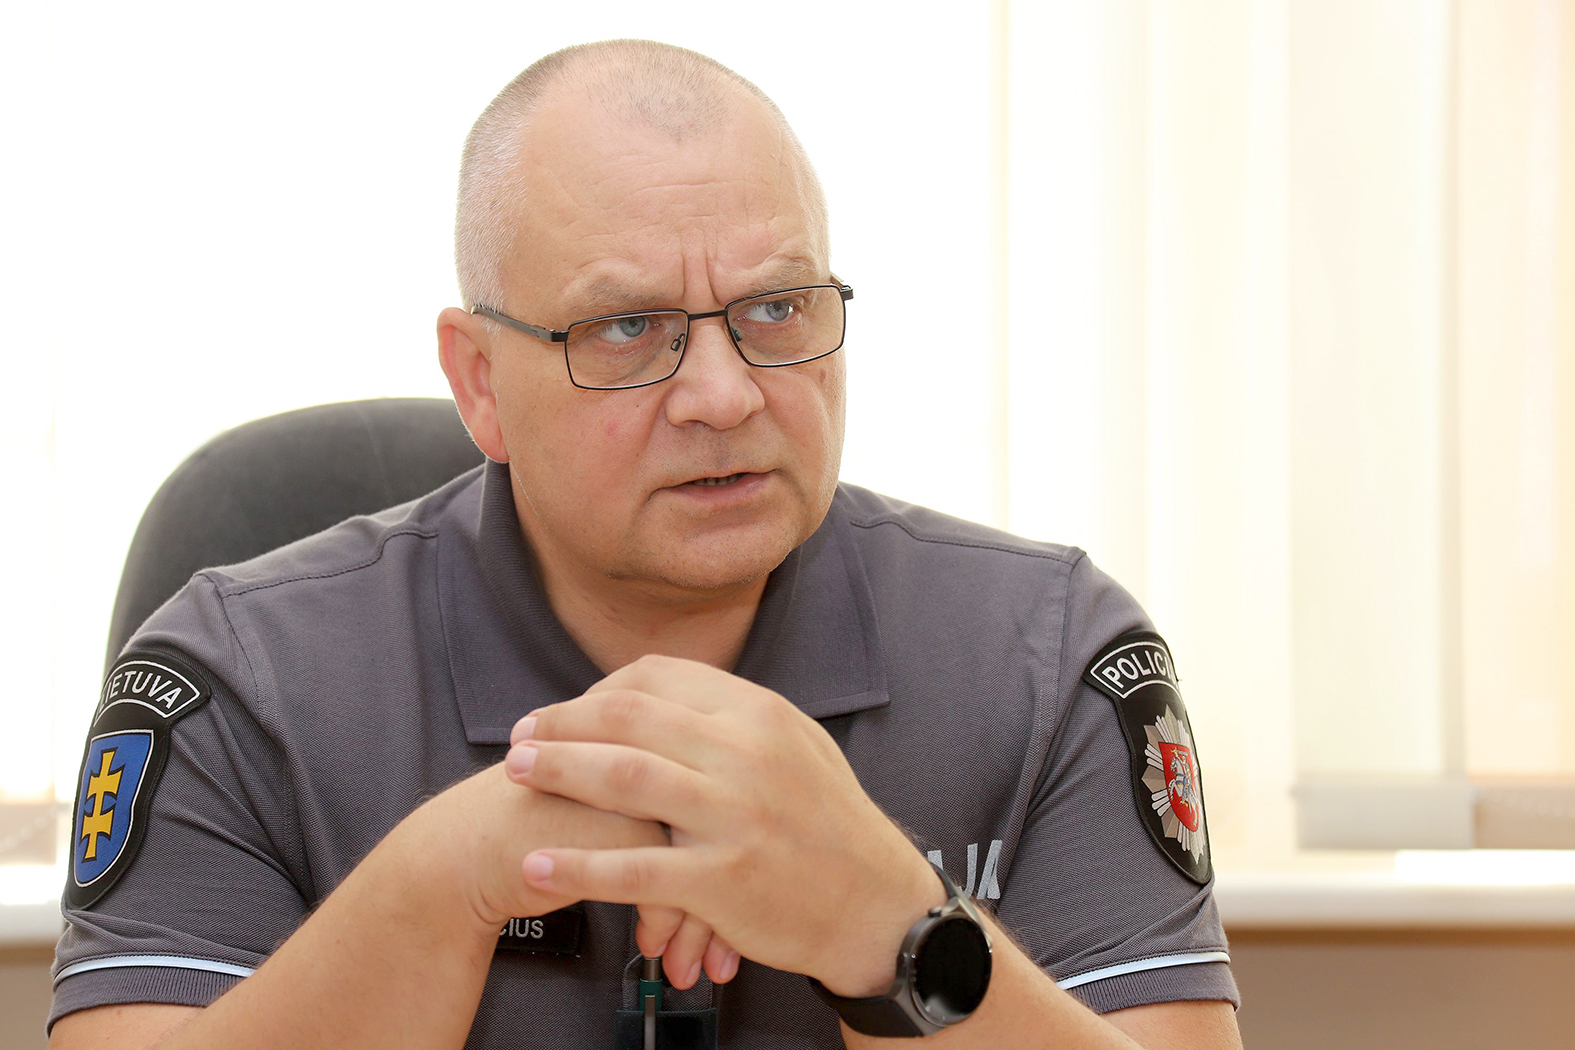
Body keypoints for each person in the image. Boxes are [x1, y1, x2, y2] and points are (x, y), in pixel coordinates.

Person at [49, 39, 1242, 1049]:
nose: (724, 394)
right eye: (626, 327)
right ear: (481, 382)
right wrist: (451, 880)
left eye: (776, 309)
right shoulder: (235, 684)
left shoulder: (1054, 659)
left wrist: (891, 928)